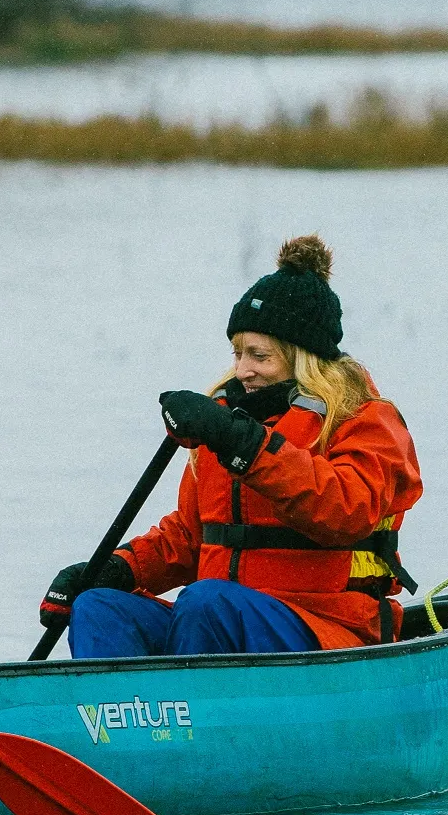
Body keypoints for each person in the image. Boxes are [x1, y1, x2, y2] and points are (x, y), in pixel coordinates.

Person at [45, 234, 422, 658]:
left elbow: (346, 510)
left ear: (303, 356)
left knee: (207, 602)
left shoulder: (366, 418)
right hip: (216, 619)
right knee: (98, 606)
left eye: (259, 356)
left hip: (329, 628)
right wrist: (113, 570)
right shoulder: (228, 417)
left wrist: (244, 444)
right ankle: (111, 722)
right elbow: (192, 536)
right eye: (237, 352)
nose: (242, 370)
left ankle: (201, 715)